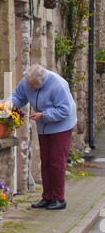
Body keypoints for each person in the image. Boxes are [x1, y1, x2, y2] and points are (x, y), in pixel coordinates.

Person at [7, 64, 77, 210]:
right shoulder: (27, 81)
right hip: (44, 126)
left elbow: (65, 111)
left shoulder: (58, 85)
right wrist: (10, 103)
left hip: (61, 126)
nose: (31, 88)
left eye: (34, 86)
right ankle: (47, 197)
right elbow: (19, 96)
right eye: (29, 85)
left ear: (42, 81)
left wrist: (43, 115)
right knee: (45, 161)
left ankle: (59, 199)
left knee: (56, 162)